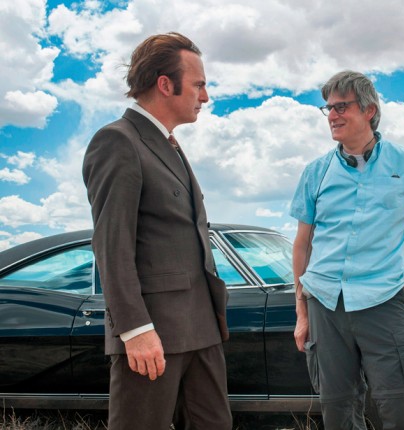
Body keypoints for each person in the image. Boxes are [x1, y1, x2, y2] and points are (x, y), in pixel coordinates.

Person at [290, 70, 404, 429]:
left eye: (341, 107)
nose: (332, 115)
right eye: (328, 108)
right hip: (325, 304)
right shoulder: (316, 172)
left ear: (369, 110)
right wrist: (302, 313)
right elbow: (302, 245)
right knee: (339, 411)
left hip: (384, 300)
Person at [82, 32, 232, 430]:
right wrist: (135, 329)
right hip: (153, 333)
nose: (205, 97)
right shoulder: (117, 141)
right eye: (198, 85)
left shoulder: (171, 146)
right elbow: (111, 245)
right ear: (165, 84)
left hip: (201, 328)